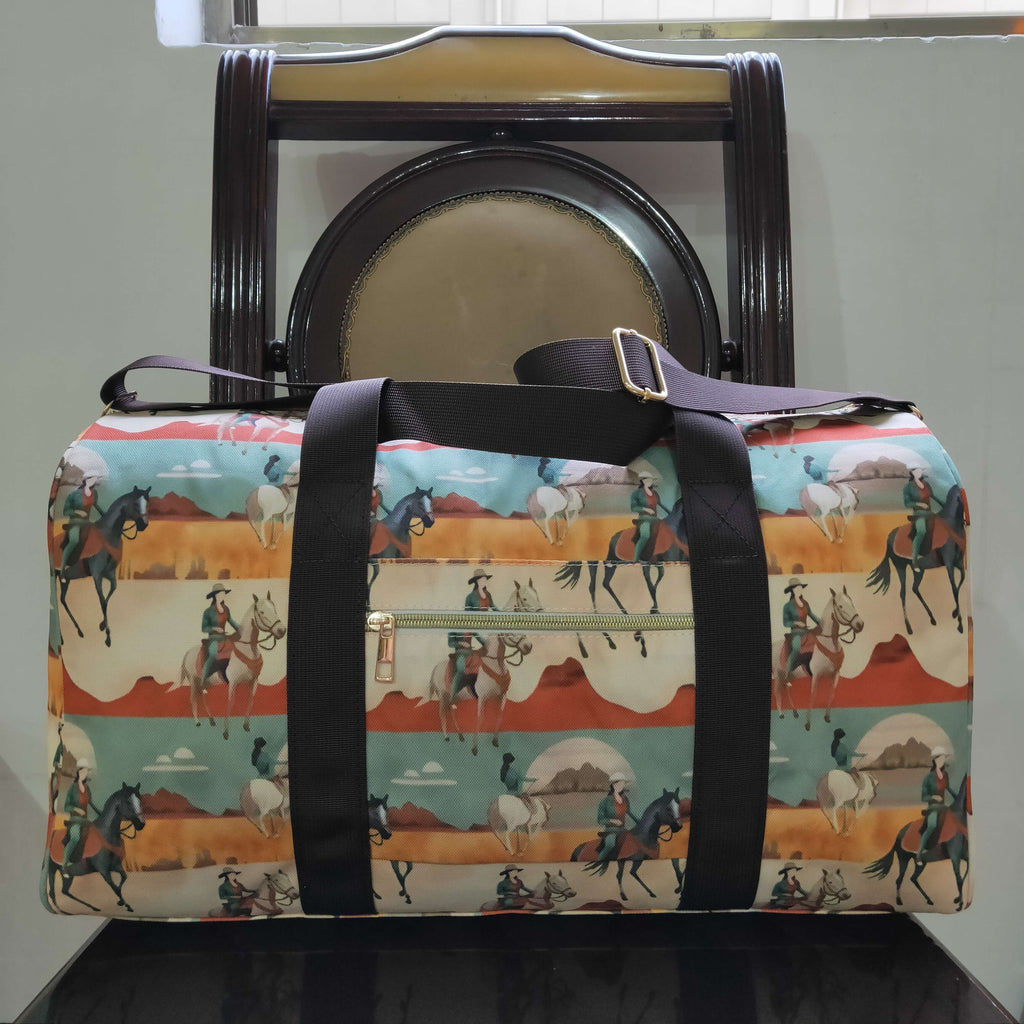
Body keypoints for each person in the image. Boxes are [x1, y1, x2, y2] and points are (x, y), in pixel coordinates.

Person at [448, 569, 497, 698]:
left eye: (485, 579)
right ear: (476, 581)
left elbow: (479, 636)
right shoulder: (469, 598)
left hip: (471, 652)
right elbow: (450, 643)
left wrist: (487, 643)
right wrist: (461, 643)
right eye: (481, 579)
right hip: (461, 653)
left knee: (483, 668)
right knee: (460, 671)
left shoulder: (488, 594)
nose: (484, 581)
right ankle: (452, 695)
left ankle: (476, 691)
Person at [60, 476, 105, 579]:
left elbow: (96, 506)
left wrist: (105, 515)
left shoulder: (94, 494)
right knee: (74, 541)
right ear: (86, 480)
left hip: (87, 523)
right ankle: (62, 570)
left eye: (95, 479)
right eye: (92, 479)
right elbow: (65, 511)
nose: (94, 481)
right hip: (75, 522)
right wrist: (77, 512)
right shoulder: (74, 494)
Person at [62, 760, 101, 875]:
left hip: (85, 820)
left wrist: (100, 813)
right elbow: (66, 807)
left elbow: (91, 803)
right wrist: (76, 809)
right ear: (78, 772)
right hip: (74, 820)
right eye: (82, 772)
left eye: (86, 772)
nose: (84, 774)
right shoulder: (72, 788)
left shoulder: (87, 788)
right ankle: (64, 865)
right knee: (75, 838)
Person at [917, 746, 953, 865]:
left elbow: (948, 788)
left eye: (944, 759)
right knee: (932, 825)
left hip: (943, 807)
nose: (942, 761)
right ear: (935, 760)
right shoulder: (928, 778)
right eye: (940, 759)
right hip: (933, 808)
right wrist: (933, 797)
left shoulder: (946, 775)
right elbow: (923, 797)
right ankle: (919, 854)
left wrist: (959, 797)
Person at [782, 578, 821, 682]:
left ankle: (814, 671)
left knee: (819, 646)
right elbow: (785, 623)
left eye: (800, 588)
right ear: (792, 590)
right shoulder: (787, 606)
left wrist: (821, 622)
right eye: (797, 588)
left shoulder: (805, 603)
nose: (799, 590)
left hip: (807, 632)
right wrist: (796, 623)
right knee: (796, 649)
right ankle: (787, 675)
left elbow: (811, 615)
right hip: (795, 633)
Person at [201, 584, 240, 685]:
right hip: (213, 639)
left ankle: (228, 676)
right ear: (215, 595)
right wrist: (215, 628)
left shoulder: (226, 609)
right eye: (220, 594)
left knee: (236, 653)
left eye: (224, 594)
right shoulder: (208, 611)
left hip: (224, 638)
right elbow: (204, 628)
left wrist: (241, 629)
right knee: (213, 655)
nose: (222, 596)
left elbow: (231, 621)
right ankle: (203, 680)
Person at [595, 772, 637, 863]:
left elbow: (629, 812)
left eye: (623, 784)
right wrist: (613, 821)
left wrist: (639, 822)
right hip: (611, 831)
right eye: (620, 784)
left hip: (623, 829)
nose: (622, 786)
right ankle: (598, 862)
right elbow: (600, 820)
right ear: (613, 785)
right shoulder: (605, 801)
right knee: (610, 845)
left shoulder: (625, 799)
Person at [904, 467, 939, 568]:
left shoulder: (926, 484)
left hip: (929, 512)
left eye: (920, 470)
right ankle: (914, 561)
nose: (919, 472)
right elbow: (907, 503)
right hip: (918, 513)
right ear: (912, 473)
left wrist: (944, 504)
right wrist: (919, 504)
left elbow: (933, 496)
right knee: (921, 531)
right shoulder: (908, 487)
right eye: (917, 471)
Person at [630, 471, 669, 562]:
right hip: (644, 518)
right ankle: (635, 559)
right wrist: (646, 509)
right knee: (645, 536)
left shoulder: (655, 493)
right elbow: (633, 507)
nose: (650, 482)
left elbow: (661, 504)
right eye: (648, 480)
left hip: (655, 519)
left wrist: (671, 512)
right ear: (643, 481)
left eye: (651, 480)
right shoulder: (636, 494)